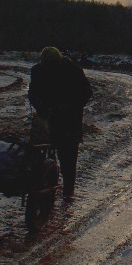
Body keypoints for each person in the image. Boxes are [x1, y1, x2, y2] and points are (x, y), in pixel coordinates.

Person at [28, 46, 93, 201]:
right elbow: (32, 93)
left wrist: (69, 106)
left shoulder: (72, 71)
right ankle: (42, 183)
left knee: (68, 157)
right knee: (38, 153)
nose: (48, 67)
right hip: (46, 119)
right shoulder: (37, 71)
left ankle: (68, 191)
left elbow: (86, 93)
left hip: (68, 121)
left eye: (51, 64)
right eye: (46, 64)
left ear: (57, 62)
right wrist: (40, 106)